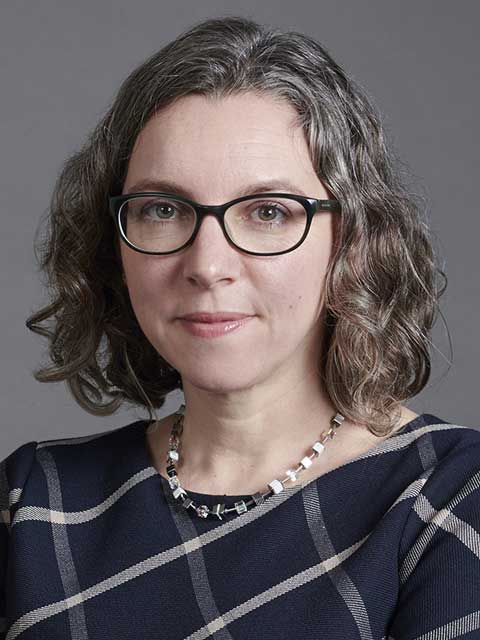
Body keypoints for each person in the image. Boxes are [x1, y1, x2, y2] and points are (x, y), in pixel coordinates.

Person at [1, 15, 479, 640]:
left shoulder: (450, 498)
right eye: (163, 209)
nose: (207, 265)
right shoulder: (33, 503)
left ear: (353, 241)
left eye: (269, 212)